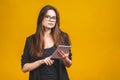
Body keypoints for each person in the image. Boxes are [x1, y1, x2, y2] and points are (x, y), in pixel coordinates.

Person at [21, 5, 72, 80]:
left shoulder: (63, 37)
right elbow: (24, 68)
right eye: (47, 17)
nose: (51, 20)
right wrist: (41, 61)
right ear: (41, 19)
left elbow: (69, 64)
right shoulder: (30, 40)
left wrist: (65, 59)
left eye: (53, 18)